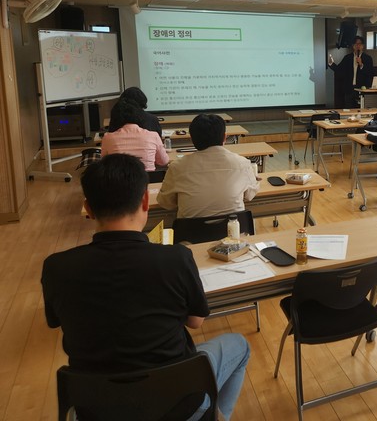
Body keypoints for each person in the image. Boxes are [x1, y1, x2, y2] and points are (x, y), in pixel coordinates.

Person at [41, 154, 250, 420]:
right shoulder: (175, 259)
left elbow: (55, 321)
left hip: (96, 407)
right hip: (177, 401)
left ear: (88, 208)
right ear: (145, 201)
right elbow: (196, 322)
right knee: (240, 345)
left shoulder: (57, 267)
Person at [157, 114, 259, 218]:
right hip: (234, 227)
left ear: (192, 139)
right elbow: (250, 195)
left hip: (189, 228)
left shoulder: (176, 167)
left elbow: (166, 203)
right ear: (224, 137)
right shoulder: (242, 163)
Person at [102, 99, 169, 171]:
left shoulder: (108, 138)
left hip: (119, 177)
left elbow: (104, 162)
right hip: (147, 177)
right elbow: (163, 162)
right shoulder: (153, 136)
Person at [328, 35, 374, 108]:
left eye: (360, 44)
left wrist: (361, 64)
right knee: (349, 109)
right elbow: (339, 70)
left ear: (363, 46)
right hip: (349, 89)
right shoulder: (347, 58)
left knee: (360, 109)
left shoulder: (368, 58)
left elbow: (370, 73)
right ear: (353, 46)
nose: (358, 46)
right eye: (356, 44)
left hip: (361, 89)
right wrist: (331, 64)